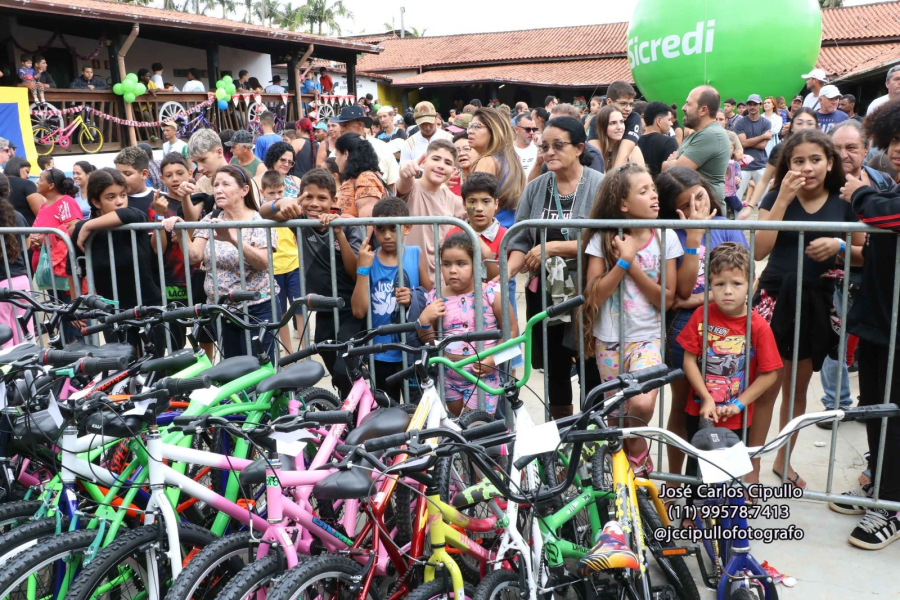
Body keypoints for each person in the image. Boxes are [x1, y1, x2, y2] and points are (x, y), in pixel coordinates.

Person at [754, 129, 865, 491]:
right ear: (787, 166)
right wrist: (782, 200)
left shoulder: (845, 201)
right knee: (765, 387)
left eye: (815, 159)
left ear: (830, 162)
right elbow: (759, 250)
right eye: (798, 160)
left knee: (798, 391)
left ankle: (783, 462)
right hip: (773, 301)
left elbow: (864, 253)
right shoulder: (776, 196)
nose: (807, 167)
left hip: (817, 305)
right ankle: (751, 467)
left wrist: (839, 245)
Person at [582, 163, 682, 475]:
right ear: (623, 204)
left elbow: (665, 299)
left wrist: (630, 261)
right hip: (609, 341)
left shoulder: (665, 238)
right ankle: (624, 482)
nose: (654, 196)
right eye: (644, 191)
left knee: (640, 405)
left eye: (653, 189)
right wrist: (621, 259)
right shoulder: (602, 239)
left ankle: (637, 453)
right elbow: (593, 296)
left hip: (647, 339)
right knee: (614, 416)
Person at [506, 116, 605, 419]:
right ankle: (563, 445)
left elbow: (609, 239)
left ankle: (593, 440)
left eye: (558, 145)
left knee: (590, 368)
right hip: (547, 294)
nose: (549, 152)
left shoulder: (600, 185)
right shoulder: (537, 188)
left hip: (588, 293)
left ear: (578, 148)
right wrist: (504, 274)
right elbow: (520, 238)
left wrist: (557, 247)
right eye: (544, 146)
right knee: (556, 370)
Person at [834, 99, 900, 550]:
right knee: (874, 406)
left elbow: (883, 216)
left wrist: (857, 193)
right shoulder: (891, 187)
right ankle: (879, 483)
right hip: (880, 320)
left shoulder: (880, 194)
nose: (897, 150)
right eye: (893, 141)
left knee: (894, 413)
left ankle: (892, 504)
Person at [656, 166, 748, 478]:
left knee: (720, 402)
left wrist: (699, 298)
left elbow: (741, 281)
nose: (695, 207)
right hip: (686, 326)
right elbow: (681, 290)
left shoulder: (724, 225)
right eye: (684, 205)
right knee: (682, 404)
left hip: (726, 328)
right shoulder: (673, 233)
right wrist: (694, 237)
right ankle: (675, 477)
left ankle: (710, 482)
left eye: (699, 197)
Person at [677, 243, 782, 501]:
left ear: (752, 284)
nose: (727, 292)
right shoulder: (702, 315)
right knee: (697, 466)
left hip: (736, 416)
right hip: (701, 409)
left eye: (736, 284)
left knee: (728, 473)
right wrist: (707, 397)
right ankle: (693, 511)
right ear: (710, 284)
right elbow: (689, 360)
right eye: (720, 284)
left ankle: (725, 517)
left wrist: (739, 404)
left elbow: (770, 374)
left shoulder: (757, 326)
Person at [814, 120, 894, 423]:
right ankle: (836, 405)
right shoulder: (821, 184)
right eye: (837, 147)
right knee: (836, 344)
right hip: (839, 280)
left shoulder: (883, 182)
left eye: (852, 147)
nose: (845, 154)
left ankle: (867, 405)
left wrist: (844, 247)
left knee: (870, 349)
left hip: (877, 281)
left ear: (865, 149)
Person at [260, 168, 363, 397]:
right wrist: (281, 203)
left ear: (334, 200)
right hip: (324, 306)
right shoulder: (300, 221)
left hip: (351, 308)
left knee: (343, 367)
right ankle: (349, 410)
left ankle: (359, 413)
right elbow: (264, 212)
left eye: (322, 198)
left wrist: (340, 235)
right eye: (308, 197)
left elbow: (355, 271)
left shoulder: (348, 224)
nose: (314, 203)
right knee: (327, 354)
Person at [163, 165, 278, 361]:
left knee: (258, 371)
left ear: (244, 190)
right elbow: (194, 256)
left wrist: (233, 238)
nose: (218, 189)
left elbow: (263, 263)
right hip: (222, 310)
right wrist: (181, 231)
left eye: (225, 184)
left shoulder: (257, 220)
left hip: (257, 308)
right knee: (232, 373)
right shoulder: (212, 218)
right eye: (216, 185)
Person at [419, 233, 514, 416]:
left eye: (461, 263)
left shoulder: (491, 293)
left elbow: (512, 331)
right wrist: (424, 322)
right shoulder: (435, 297)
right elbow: (432, 343)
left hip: (482, 376)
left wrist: (494, 360)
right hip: (449, 378)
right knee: (457, 427)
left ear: (476, 265)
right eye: (446, 264)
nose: (452, 270)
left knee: (475, 427)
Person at [71, 169, 165, 353]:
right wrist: (74, 306)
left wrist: (89, 224)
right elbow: (73, 269)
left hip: (148, 305)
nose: (120, 201)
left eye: (123, 195)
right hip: (112, 311)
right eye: (111, 197)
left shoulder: (135, 217)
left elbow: (127, 214)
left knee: (157, 367)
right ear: (96, 201)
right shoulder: (84, 232)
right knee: (122, 368)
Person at [352, 196, 432, 402]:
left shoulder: (415, 254)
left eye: (393, 228)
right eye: (380, 229)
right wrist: (362, 268)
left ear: (407, 227)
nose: (386, 235)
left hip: (412, 350)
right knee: (387, 411)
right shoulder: (369, 260)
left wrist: (413, 297)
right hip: (380, 353)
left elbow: (429, 295)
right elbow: (359, 311)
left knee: (416, 409)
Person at [397, 139, 466, 280]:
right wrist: (405, 170)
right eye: (436, 159)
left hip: (442, 282)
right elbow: (404, 183)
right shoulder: (412, 188)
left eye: (447, 163)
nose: (441, 166)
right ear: (424, 162)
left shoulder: (453, 200)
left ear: (453, 170)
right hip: (410, 278)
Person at [742, 108, 820, 218]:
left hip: (813, 202)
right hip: (782, 201)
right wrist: (749, 207)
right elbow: (764, 180)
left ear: (817, 127)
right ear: (792, 125)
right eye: (799, 123)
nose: (804, 127)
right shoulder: (781, 149)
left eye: (810, 123)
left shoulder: (822, 150)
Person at [662, 86, 731, 207]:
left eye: (688, 104)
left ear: (703, 110)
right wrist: (673, 163)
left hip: (706, 214)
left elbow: (673, 174)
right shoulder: (697, 134)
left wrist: (669, 163)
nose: (683, 108)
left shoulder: (711, 135)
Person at [259, 170, 302, 354]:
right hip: (273, 268)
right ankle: (289, 354)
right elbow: (268, 215)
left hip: (294, 264)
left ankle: (305, 353)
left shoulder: (290, 205)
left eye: (280, 192)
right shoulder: (262, 212)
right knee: (281, 313)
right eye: (271, 193)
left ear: (285, 189)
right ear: (263, 193)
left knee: (300, 309)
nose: (276, 197)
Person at [467, 107, 525, 228]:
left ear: (494, 130)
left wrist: (443, 188)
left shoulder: (487, 162)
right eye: (470, 126)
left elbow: (474, 207)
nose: (470, 131)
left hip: (490, 235)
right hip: (510, 233)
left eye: (477, 126)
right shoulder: (512, 160)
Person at [156, 153, 194, 317]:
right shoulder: (159, 204)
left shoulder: (199, 200)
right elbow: (158, 248)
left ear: (190, 173)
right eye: (168, 175)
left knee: (206, 330)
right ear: (162, 179)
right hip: (171, 277)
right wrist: (159, 216)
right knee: (175, 330)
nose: (175, 179)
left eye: (180, 173)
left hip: (200, 275)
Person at [331, 105, 400, 189]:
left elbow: (393, 182)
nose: (342, 130)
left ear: (359, 124)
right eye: (341, 126)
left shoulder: (381, 148)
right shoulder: (336, 152)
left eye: (346, 125)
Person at [0, 174, 32, 346]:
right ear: (8, 190)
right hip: (21, 281)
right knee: (26, 334)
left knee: (4, 340)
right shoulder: (17, 216)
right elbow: (26, 245)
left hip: (1, 286)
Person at [333, 133, 386, 218]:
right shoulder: (356, 178)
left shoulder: (366, 179)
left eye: (336, 155)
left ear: (346, 154)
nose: (335, 160)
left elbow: (367, 222)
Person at [733, 94, 772, 204]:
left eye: (755, 104)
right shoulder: (740, 122)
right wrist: (763, 136)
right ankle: (736, 221)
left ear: (760, 106)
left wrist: (747, 142)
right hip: (743, 166)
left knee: (763, 200)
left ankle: (763, 221)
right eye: (750, 104)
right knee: (737, 198)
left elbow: (762, 146)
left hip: (760, 164)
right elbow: (743, 143)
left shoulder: (766, 123)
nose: (752, 107)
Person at [597, 82, 641, 169]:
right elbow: (595, 156)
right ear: (609, 101)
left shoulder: (633, 117)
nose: (628, 109)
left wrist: (612, 178)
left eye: (631, 104)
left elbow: (623, 154)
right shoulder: (596, 120)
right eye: (623, 104)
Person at [638, 101, 679, 178]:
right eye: (669, 120)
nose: (671, 124)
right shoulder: (669, 142)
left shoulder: (635, 143)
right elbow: (674, 175)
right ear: (659, 121)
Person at [114, 146, 154, 215]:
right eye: (117, 173)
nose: (120, 178)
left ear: (144, 174)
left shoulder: (162, 199)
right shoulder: (111, 200)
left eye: (127, 174)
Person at [4, 157, 44, 226]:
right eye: (26, 171)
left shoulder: (3, 184)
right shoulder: (27, 184)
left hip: (5, 232)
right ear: (17, 168)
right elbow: (41, 213)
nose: (28, 176)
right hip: (27, 232)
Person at [722, 131, 744, 217]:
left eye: (730, 148)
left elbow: (738, 177)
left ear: (734, 150)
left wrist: (737, 180)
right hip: (720, 194)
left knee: (733, 213)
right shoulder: (718, 163)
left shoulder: (735, 164)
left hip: (731, 195)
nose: (728, 150)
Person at [513, 113, 538, 179]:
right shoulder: (507, 150)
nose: (532, 132)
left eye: (534, 129)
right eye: (528, 129)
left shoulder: (538, 148)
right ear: (516, 130)